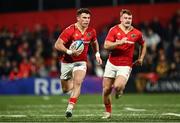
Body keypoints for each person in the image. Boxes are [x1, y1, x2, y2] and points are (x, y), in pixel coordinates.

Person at [54, 8, 102, 118]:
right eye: (84, 17)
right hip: (67, 62)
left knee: (78, 83)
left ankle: (70, 108)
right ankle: (71, 82)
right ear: (78, 18)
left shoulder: (91, 31)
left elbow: (94, 42)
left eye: (89, 18)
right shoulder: (70, 30)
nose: (87, 20)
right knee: (65, 89)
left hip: (81, 62)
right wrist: (70, 51)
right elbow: (57, 44)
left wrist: (97, 54)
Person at [102, 9, 147, 119]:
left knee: (117, 86)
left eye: (130, 18)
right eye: (126, 18)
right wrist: (118, 43)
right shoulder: (114, 30)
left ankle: (119, 90)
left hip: (126, 65)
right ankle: (108, 112)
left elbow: (143, 44)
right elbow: (106, 46)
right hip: (111, 63)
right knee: (106, 90)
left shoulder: (136, 33)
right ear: (121, 19)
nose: (128, 20)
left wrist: (141, 57)